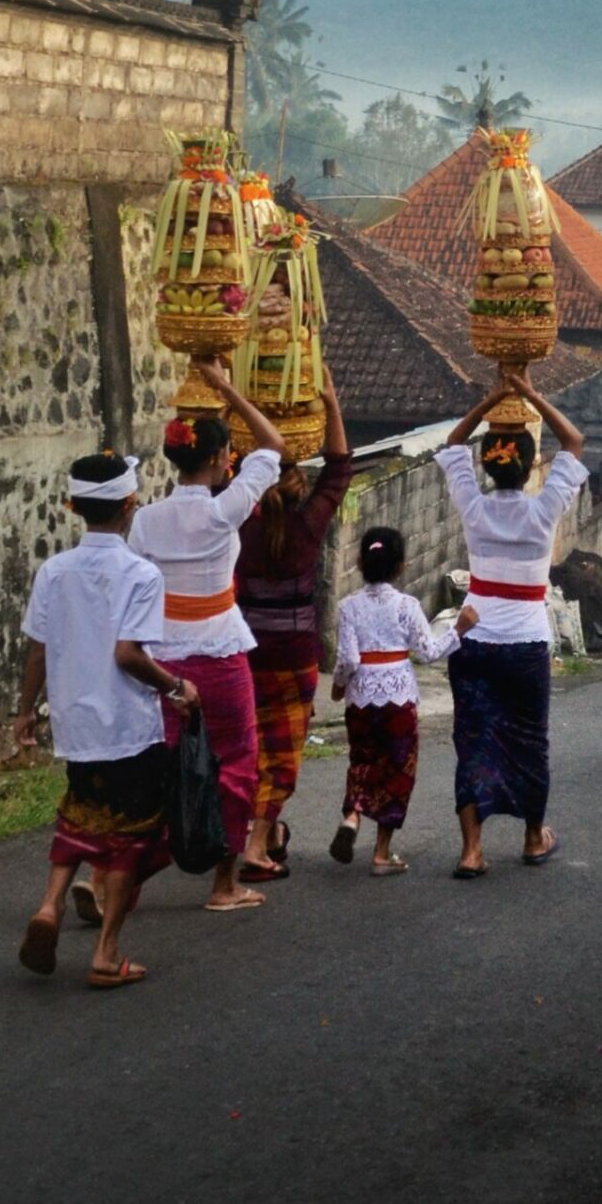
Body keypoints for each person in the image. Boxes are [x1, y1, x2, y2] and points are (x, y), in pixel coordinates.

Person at [13, 449, 199, 989]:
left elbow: (37, 653)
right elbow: (128, 654)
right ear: (131, 505)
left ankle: (49, 906)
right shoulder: (141, 574)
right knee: (128, 840)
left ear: (72, 506)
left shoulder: (54, 571)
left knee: (80, 816)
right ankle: (106, 952)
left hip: (77, 727)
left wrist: (26, 713)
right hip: (127, 729)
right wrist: (177, 688)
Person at [120, 359, 286, 913]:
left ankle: (110, 880)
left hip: (162, 662)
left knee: (165, 765)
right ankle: (223, 884)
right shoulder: (226, 511)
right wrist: (226, 389)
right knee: (236, 762)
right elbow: (274, 443)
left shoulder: (143, 522)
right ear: (220, 460)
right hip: (220, 654)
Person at [435, 367, 589, 879]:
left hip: (473, 640)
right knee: (529, 740)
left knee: (472, 739)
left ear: (488, 466)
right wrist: (528, 393)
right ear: (528, 469)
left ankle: (471, 850)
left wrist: (491, 398)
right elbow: (574, 439)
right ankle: (531, 837)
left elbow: (454, 441)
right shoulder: (543, 512)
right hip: (524, 643)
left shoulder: (473, 508)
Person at [231, 373, 355, 882]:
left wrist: (227, 393)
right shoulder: (307, 528)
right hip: (295, 657)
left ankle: (251, 836)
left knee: (246, 747)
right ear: (297, 486)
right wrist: (330, 401)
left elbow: (221, 476)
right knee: (280, 752)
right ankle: (258, 846)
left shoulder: (237, 521)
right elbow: (340, 470)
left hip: (245, 652)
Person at [327, 525, 470, 876]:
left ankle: (352, 815)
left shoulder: (348, 607)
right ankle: (381, 852)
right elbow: (428, 651)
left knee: (362, 760)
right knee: (396, 770)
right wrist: (459, 630)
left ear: (360, 562)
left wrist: (338, 686)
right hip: (398, 699)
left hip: (360, 698)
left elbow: (348, 659)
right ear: (401, 566)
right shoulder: (407, 606)